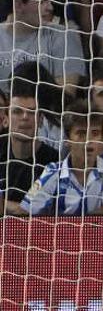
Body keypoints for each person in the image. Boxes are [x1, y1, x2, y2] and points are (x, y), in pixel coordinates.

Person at [19, 102, 103, 216]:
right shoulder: (52, 171)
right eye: (81, 133)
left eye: (95, 133)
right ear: (67, 140)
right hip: (62, 233)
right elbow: (26, 210)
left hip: (100, 232)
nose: (88, 140)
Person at [0, 0, 86, 96]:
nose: (50, 8)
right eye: (42, 2)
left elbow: (65, 96)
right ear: (18, 5)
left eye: (50, 1)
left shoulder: (64, 36)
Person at [0, 79, 58, 213]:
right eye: (17, 111)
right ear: (5, 120)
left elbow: (27, 211)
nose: (25, 117)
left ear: (40, 120)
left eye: (32, 112)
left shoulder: (53, 161)